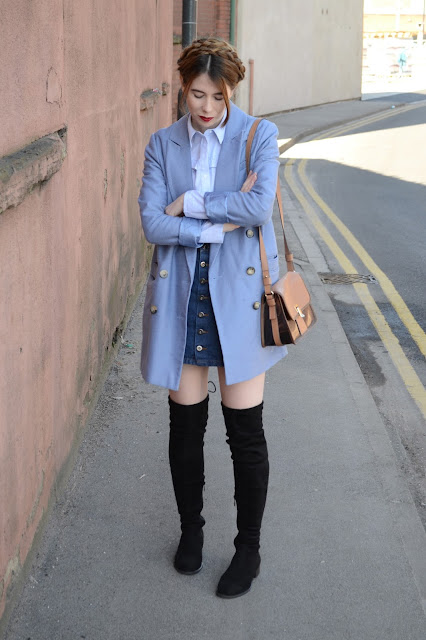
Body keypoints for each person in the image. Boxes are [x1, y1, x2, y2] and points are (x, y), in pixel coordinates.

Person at [138, 37, 287, 599]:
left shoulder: (258, 136)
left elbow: (257, 205)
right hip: (183, 295)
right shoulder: (161, 144)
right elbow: (153, 223)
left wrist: (192, 202)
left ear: (231, 92)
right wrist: (210, 225)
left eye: (216, 96)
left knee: (245, 435)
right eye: (196, 93)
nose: (205, 106)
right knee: (185, 431)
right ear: (182, 86)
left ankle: (247, 548)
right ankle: (191, 533)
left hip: (241, 300)